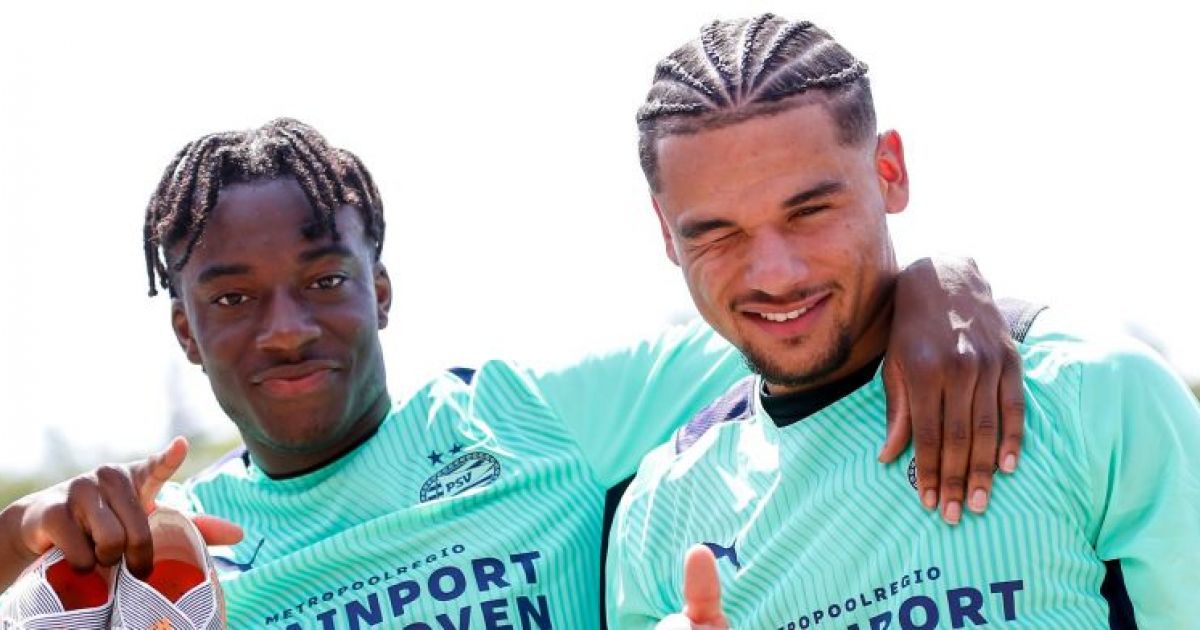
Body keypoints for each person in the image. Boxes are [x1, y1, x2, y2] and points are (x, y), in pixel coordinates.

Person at [0, 119, 1022, 629]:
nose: (286, 328)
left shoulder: (536, 417)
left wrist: (940, 283)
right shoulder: (172, 557)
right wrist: (29, 527)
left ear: (381, 289)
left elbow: (806, 320)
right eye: (230, 300)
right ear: (183, 330)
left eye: (324, 279)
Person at [606, 14, 1200, 629]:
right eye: (719, 234)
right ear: (666, 232)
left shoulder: (1091, 396)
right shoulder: (661, 514)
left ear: (889, 171)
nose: (776, 274)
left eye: (810, 211)